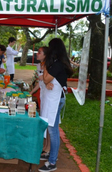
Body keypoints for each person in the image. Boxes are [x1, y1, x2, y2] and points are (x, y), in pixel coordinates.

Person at [38, 38, 73, 172]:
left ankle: (52, 162)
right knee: (52, 128)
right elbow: (46, 80)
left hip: (56, 99)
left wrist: (45, 64)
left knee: (53, 130)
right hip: (53, 99)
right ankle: (51, 155)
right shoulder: (56, 63)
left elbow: (46, 78)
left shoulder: (57, 64)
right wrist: (47, 81)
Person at [29, 46, 51, 159]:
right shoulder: (39, 65)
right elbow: (39, 82)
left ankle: (48, 148)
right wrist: (31, 92)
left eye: (39, 52)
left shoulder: (49, 65)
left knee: (49, 122)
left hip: (50, 96)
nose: (37, 54)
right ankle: (45, 146)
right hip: (43, 95)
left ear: (45, 55)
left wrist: (47, 83)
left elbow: (48, 80)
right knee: (44, 120)